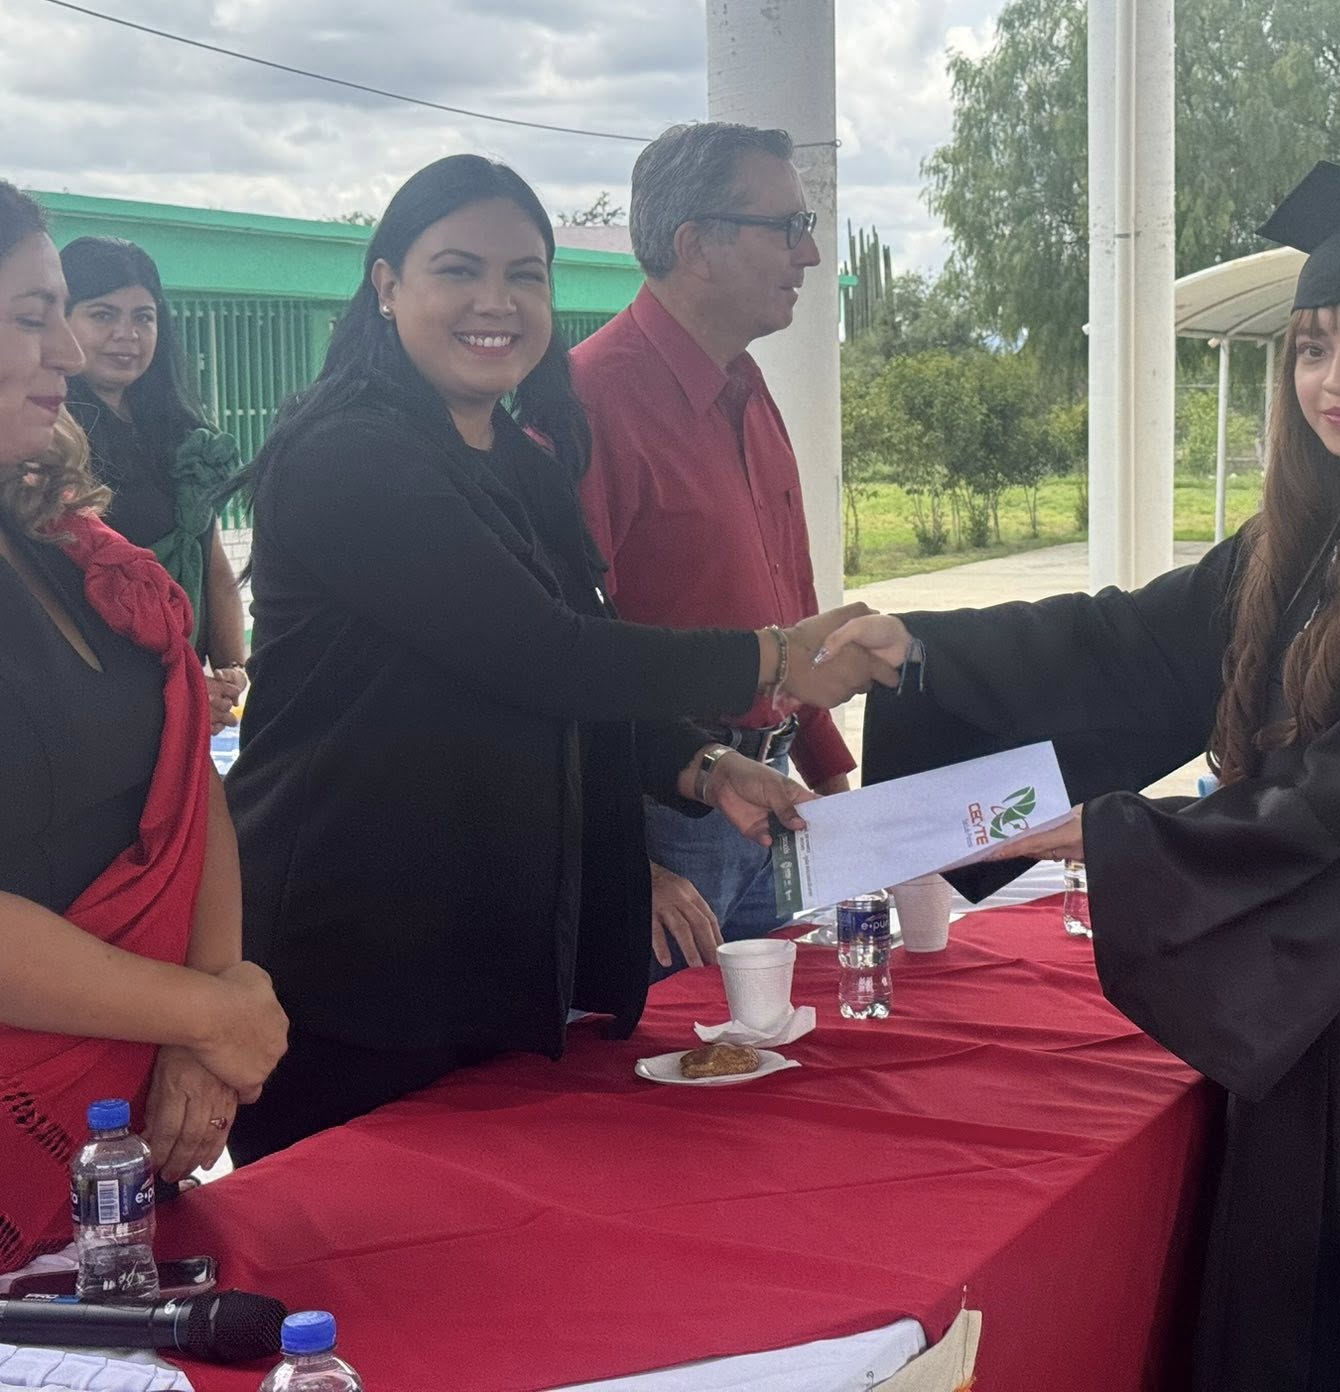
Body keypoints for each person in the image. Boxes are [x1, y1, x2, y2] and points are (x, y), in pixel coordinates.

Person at [843, 164, 1340, 1390]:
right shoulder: (1298, 542)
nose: (1336, 379)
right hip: (1326, 958)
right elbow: (1124, 645)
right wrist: (921, 649)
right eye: (1312, 349)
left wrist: (1115, 836)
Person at [220, 156, 891, 1163]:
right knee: (359, 1242)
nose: (496, 302)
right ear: (387, 283)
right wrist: (770, 660)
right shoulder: (346, 455)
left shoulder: (522, 461)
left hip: (493, 943)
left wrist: (702, 765)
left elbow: (569, 672)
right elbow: (537, 653)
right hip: (357, 953)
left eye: (524, 275)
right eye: (459, 270)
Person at [0, 182, 287, 1270]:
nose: (71, 352)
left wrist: (205, 1011)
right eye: (32, 316)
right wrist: (202, 1013)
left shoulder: (69, 548)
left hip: (120, 1147)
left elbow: (183, 775)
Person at [572, 122, 852, 964]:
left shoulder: (747, 385)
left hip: (770, 801)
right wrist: (623, 863)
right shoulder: (588, 402)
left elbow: (792, 611)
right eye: (789, 227)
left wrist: (834, 784)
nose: (809, 255)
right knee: (668, 1051)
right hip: (660, 825)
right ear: (695, 245)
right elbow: (566, 659)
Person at [61, 238, 248, 733]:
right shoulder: (52, 445)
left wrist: (231, 669)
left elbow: (211, 561)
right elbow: (73, 602)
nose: (127, 334)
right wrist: (176, 689)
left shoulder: (178, 434)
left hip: (188, 699)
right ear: (62, 319)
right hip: (111, 707)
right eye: (103, 314)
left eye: (143, 317)